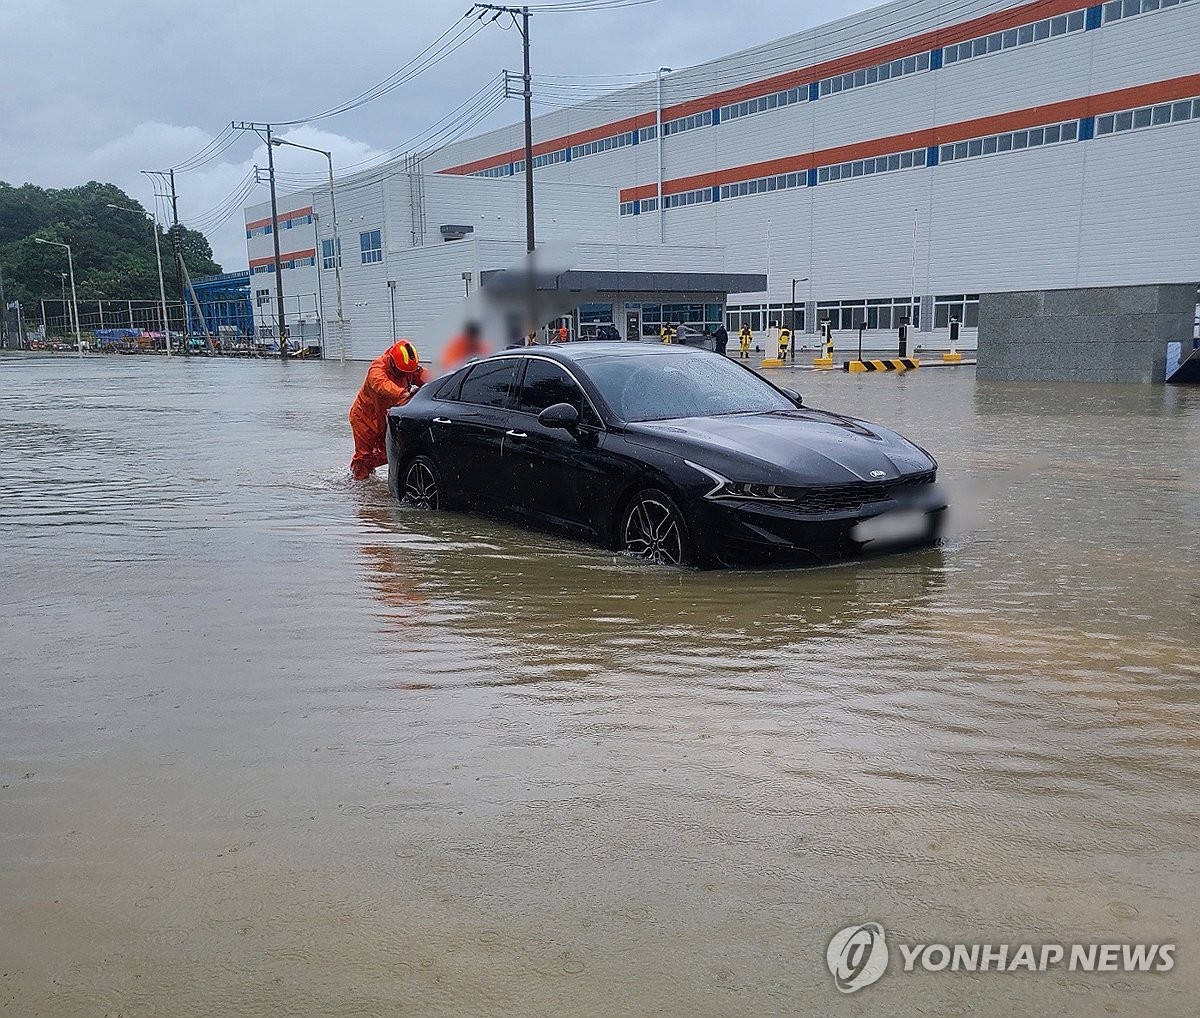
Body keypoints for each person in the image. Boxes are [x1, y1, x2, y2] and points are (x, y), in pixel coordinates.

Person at [348, 340, 430, 480]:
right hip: (364, 419)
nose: (405, 376)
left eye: (408, 373)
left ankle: (368, 474)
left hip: (385, 419)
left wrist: (441, 382)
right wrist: (403, 394)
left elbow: (424, 376)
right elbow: (382, 385)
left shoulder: (407, 369)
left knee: (391, 452)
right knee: (363, 456)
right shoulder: (377, 369)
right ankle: (360, 487)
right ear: (392, 363)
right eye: (401, 373)